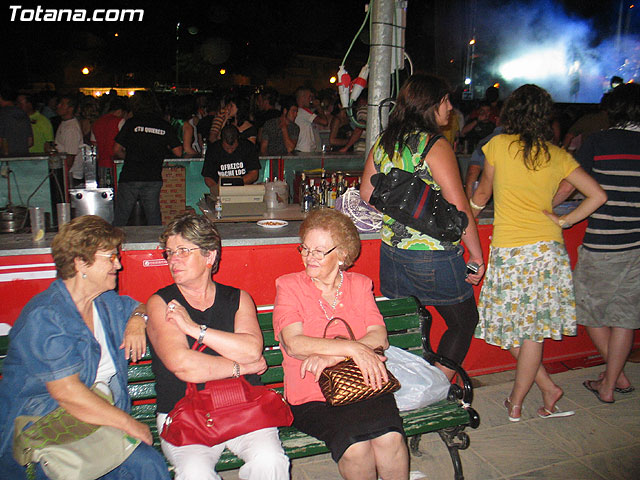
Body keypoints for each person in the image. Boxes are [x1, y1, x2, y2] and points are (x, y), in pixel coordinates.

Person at [469, 84, 607, 421]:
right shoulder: (557, 155)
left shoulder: (498, 145)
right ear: (546, 117)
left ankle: (516, 401)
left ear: (511, 112)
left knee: (509, 326)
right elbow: (597, 195)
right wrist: (563, 220)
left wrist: (464, 221)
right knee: (526, 331)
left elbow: (482, 195)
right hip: (547, 251)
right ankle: (545, 388)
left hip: (510, 251)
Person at [0, 215, 170, 479]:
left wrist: (138, 319)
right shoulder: (46, 316)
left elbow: (142, 305)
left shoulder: (105, 303)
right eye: (110, 257)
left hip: (96, 424)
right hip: (46, 430)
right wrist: (129, 424)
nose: (118, 264)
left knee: (150, 466)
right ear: (81, 262)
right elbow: (68, 394)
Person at [360, 74, 485, 381]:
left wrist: (402, 211)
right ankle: (436, 387)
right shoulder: (434, 145)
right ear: (431, 104)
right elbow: (459, 207)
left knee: (407, 330)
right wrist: (477, 255)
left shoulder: (385, 141)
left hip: (392, 253)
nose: (450, 107)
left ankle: (409, 388)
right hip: (432, 254)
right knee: (464, 322)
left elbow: (366, 192)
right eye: (446, 100)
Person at [146, 213, 289, 480]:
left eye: (183, 251)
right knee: (195, 473)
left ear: (209, 256)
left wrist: (194, 329)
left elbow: (251, 350)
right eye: (169, 252)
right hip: (184, 413)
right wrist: (242, 368)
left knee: (270, 461)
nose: (173, 260)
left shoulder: (237, 298)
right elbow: (184, 365)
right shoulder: (162, 303)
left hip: (242, 406)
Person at [273, 209, 408, 480]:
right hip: (312, 392)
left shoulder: (360, 285)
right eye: (305, 249)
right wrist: (352, 349)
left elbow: (379, 337)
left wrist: (332, 358)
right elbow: (295, 344)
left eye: (319, 251)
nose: (309, 257)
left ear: (342, 255)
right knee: (356, 448)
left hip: (363, 382)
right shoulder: (289, 287)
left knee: (390, 439)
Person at [570, 83, 639, 403]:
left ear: (614, 109)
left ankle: (613, 381)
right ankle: (612, 382)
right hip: (637, 244)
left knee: (589, 312)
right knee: (625, 318)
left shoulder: (598, 141)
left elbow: (573, 186)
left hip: (603, 244)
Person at [113, 91, 182, 226]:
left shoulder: (131, 123)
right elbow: (178, 151)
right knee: (153, 219)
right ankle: (156, 240)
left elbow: (116, 149)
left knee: (121, 218)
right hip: (152, 176)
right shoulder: (163, 124)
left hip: (130, 175)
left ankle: (114, 240)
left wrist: (130, 157)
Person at [202, 124, 260, 193]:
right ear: (221, 140)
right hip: (221, 191)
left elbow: (254, 174)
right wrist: (217, 190)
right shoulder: (213, 149)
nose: (230, 151)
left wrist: (234, 184)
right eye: (227, 148)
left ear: (238, 140)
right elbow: (208, 177)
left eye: (233, 148)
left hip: (244, 189)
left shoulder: (248, 147)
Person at [91, 96, 127, 188]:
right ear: (120, 111)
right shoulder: (120, 121)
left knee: (105, 190)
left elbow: (94, 145)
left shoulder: (96, 123)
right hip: (117, 164)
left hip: (101, 164)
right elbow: (125, 143)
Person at [54, 94, 84, 187]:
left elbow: (70, 157)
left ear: (70, 109)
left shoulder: (71, 128)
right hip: (67, 173)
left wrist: (63, 176)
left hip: (71, 175)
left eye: (62, 104)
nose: (58, 106)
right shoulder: (65, 123)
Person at [0, 87, 33, 156]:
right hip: (23, 157)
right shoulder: (23, 113)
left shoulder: (2, 114)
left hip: (5, 158)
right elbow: (30, 142)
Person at [294, 86, 328, 152]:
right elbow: (324, 122)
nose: (311, 100)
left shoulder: (298, 111)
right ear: (303, 97)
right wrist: (318, 107)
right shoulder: (303, 111)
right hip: (305, 149)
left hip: (302, 148)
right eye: (309, 97)